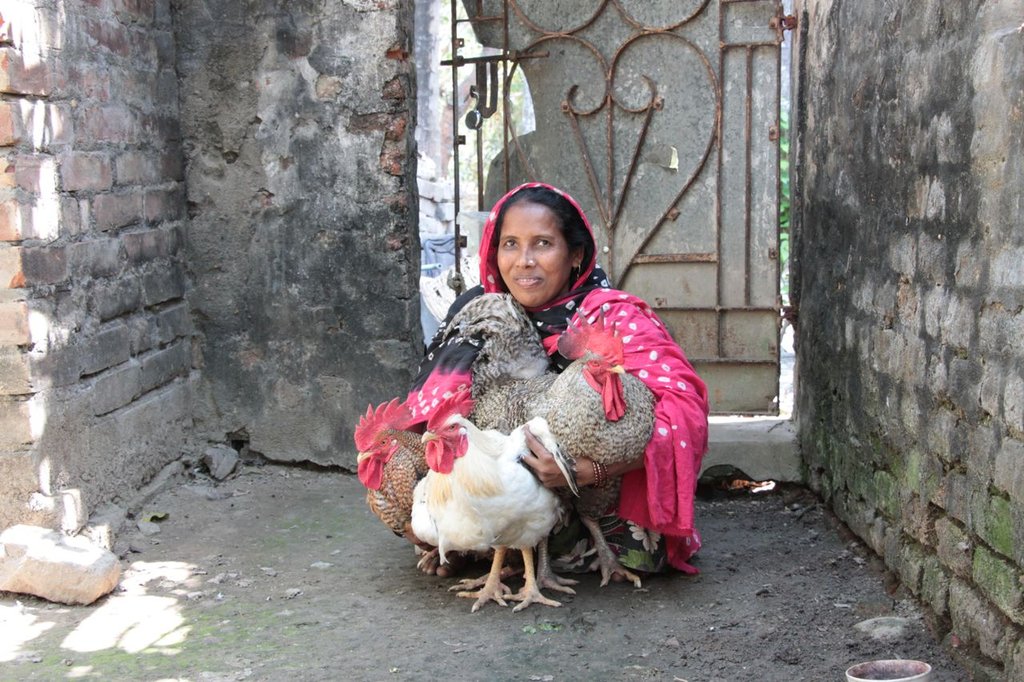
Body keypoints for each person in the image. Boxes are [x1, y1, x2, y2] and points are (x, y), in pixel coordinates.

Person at [407, 182, 710, 576]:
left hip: (592, 494)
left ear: (576, 255)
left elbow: (685, 414)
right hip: (498, 488)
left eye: (543, 244)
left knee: (639, 550)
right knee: (405, 490)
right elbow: (427, 418)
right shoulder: (479, 314)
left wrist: (589, 472)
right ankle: (495, 545)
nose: (524, 261)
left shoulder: (614, 318)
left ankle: (510, 550)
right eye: (510, 244)